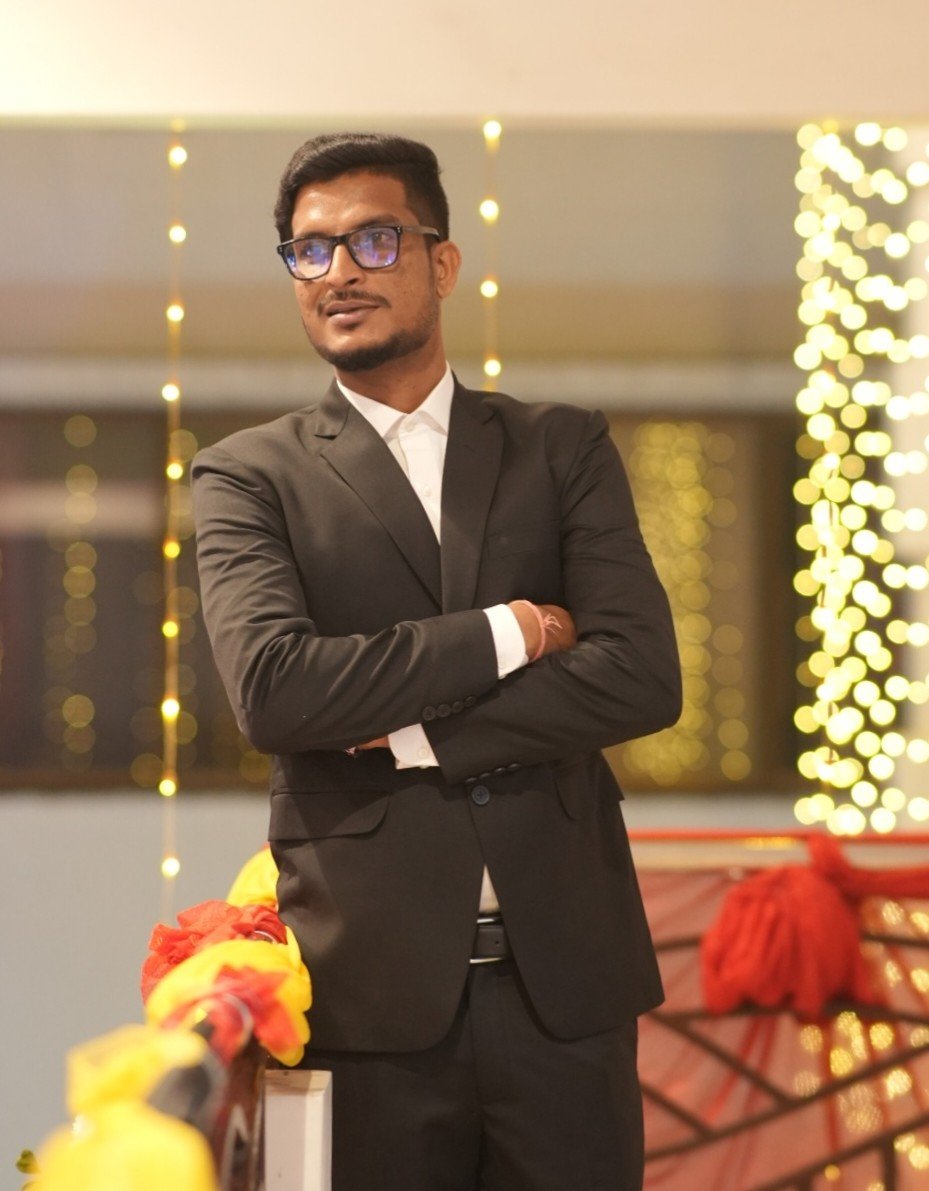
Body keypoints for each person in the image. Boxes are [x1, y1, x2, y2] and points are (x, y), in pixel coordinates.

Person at [192, 131, 682, 1191]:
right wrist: (515, 630)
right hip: (364, 996)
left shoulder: (559, 445)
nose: (338, 271)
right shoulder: (247, 475)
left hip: (566, 989)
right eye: (309, 250)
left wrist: (411, 733)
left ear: (441, 261)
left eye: (372, 240)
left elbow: (641, 673)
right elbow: (276, 691)